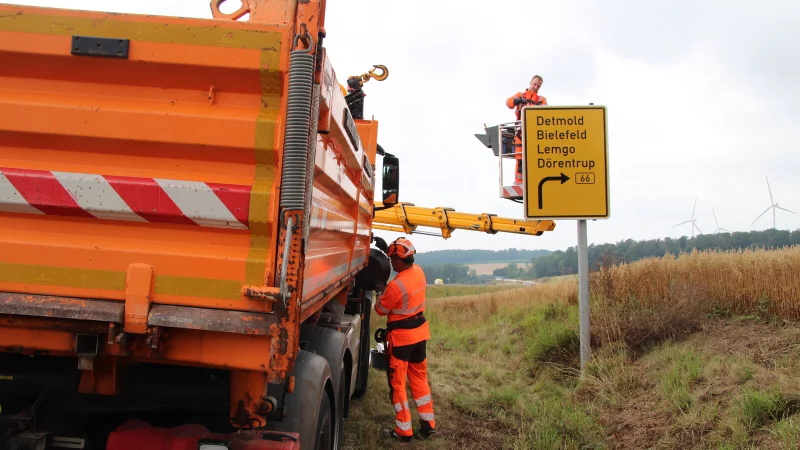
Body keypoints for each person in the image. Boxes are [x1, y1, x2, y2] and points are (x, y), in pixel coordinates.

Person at [374, 237, 436, 443]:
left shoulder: (395, 286)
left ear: (399, 261)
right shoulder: (418, 272)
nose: (391, 263)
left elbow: (380, 310)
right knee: (419, 379)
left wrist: (380, 291)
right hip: (420, 335)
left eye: (392, 260)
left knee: (398, 385)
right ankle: (428, 425)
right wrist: (388, 250)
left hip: (401, 340)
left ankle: (403, 430)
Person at [506, 75, 548, 185]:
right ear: (530, 82)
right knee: (520, 157)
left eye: (538, 86)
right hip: (520, 132)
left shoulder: (541, 99)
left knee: (534, 157)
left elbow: (547, 111)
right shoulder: (520, 95)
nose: (536, 87)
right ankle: (519, 182)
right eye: (534, 84)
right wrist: (517, 100)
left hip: (535, 132)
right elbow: (508, 103)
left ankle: (534, 181)